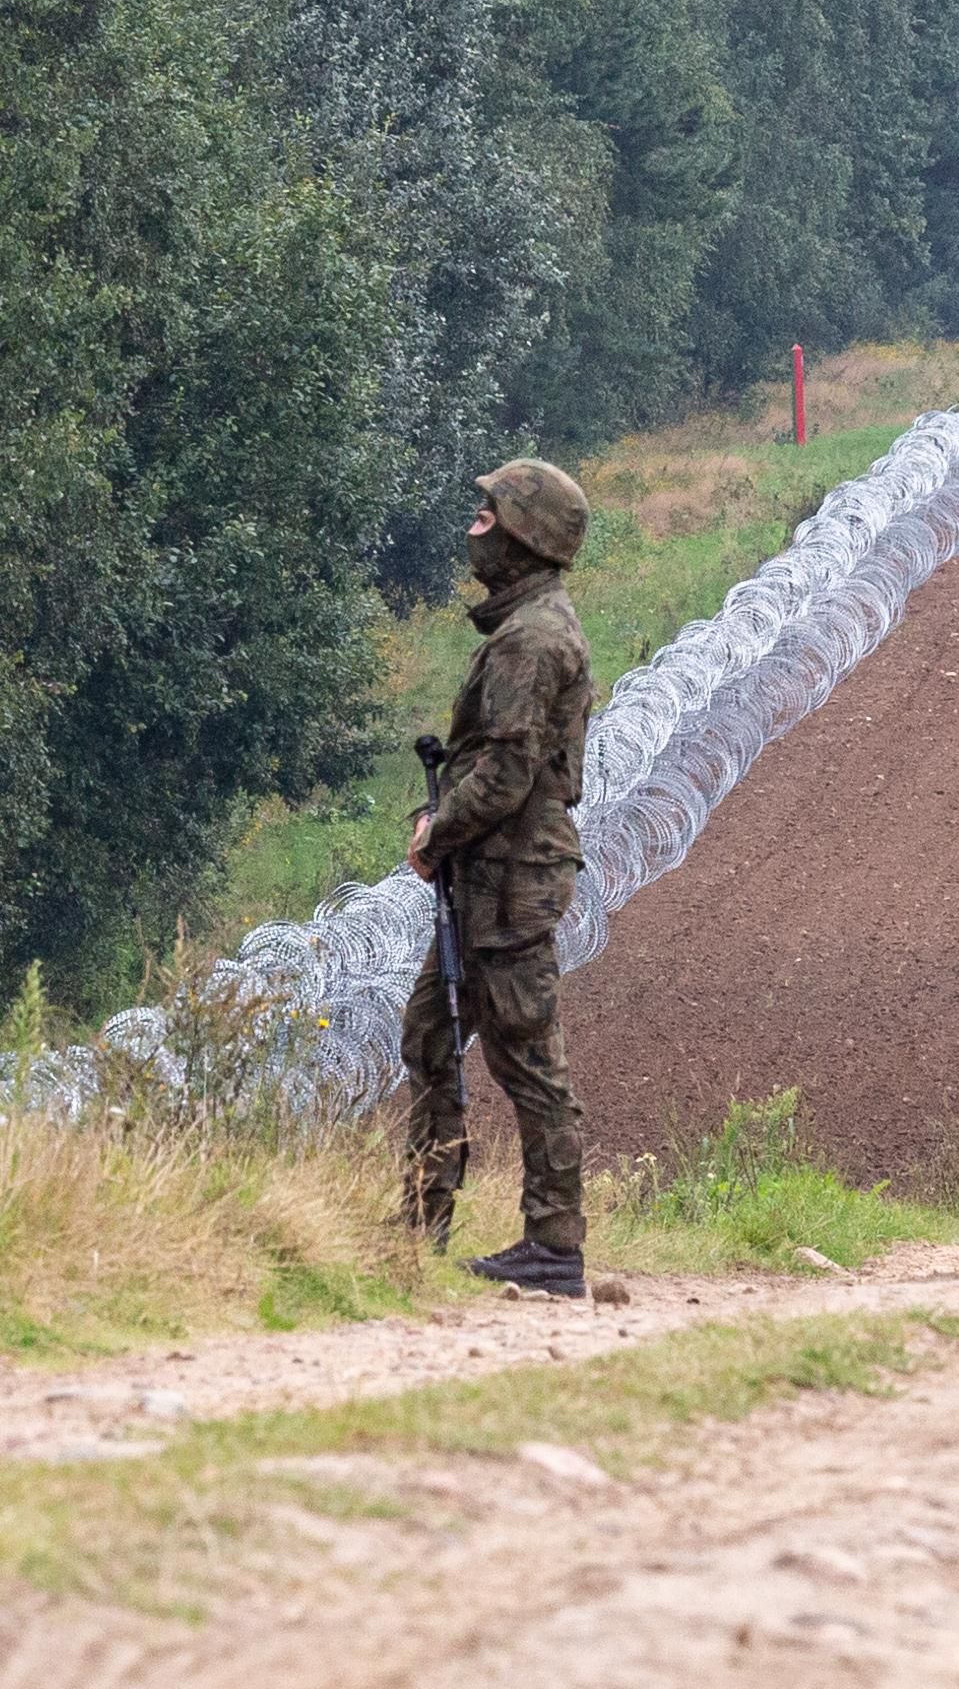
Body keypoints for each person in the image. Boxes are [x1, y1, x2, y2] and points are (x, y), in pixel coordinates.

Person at [402, 456, 595, 1295]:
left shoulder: (531, 641)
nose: (474, 527)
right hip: (493, 878)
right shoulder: (528, 629)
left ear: (523, 536)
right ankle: (422, 1221)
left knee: (528, 1061)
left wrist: (435, 833)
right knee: (432, 1037)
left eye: (489, 516)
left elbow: (507, 774)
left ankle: (553, 1245)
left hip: (509, 884)